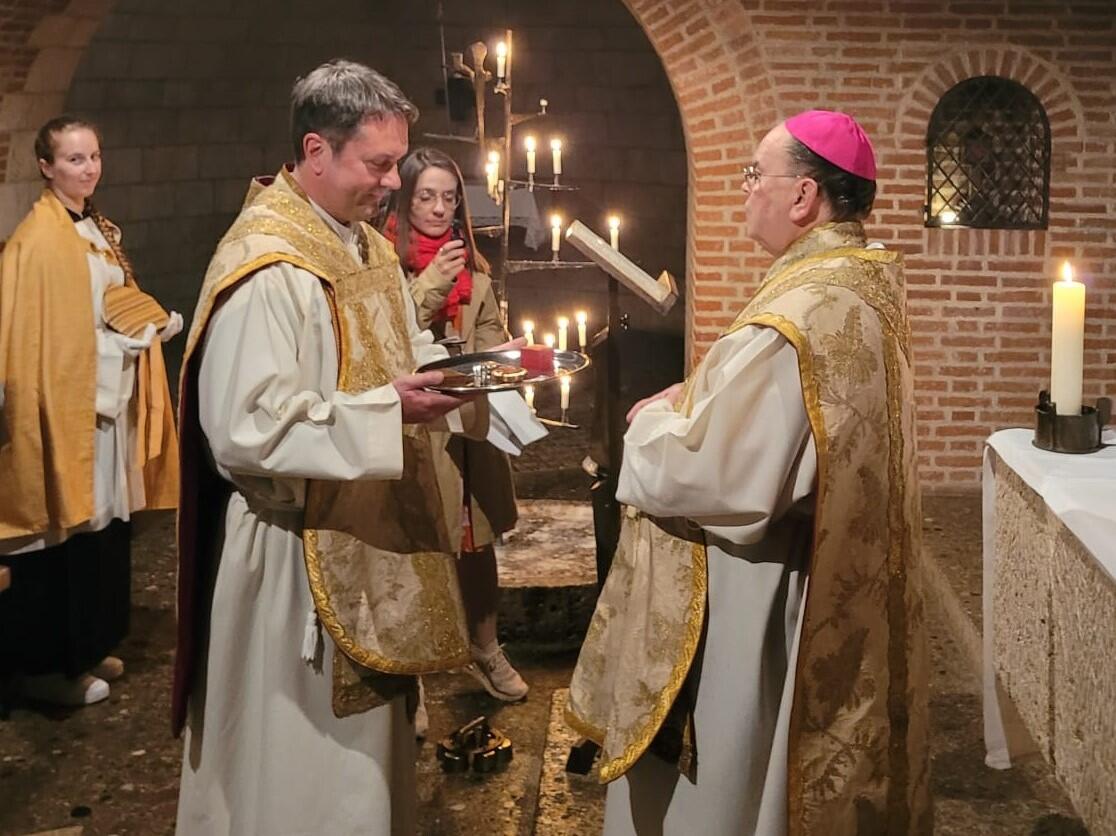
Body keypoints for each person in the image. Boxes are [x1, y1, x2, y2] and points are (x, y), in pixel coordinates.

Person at [566, 110, 931, 835]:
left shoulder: (800, 309)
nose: (745, 190)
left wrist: (648, 429)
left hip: (759, 589)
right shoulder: (855, 285)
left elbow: (719, 475)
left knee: (732, 780)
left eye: (753, 175)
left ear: (803, 197)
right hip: (814, 567)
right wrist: (700, 397)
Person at [173, 60, 505, 835]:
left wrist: (453, 370)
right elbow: (245, 426)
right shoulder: (268, 266)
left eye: (396, 162)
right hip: (294, 557)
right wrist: (386, 410)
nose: (392, 182)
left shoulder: (357, 243)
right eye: (378, 164)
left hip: (362, 531)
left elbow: (373, 354)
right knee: (301, 776)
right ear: (315, 151)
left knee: (366, 770)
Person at [0, 116, 180, 707]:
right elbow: (40, 341)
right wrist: (119, 345)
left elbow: (106, 303)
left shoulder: (92, 228)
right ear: (46, 167)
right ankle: (47, 667)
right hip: (66, 410)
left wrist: (144, 326)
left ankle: (90, 641)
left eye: (95, 156)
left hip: (105, 404)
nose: (89, 168)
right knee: (62, 532)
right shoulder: (38, 242)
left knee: (102, 525)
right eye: (74, 159)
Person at [382, 147, 528, 716]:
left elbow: (491, 336)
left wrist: (509, 355)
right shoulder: (384, 263)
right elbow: (387, 336)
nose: (439, 208)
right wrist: (431, 288)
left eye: (449, 198)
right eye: (426, 196)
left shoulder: (474, 267)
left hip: (468, 424)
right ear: (405, 198)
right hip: (415, 427)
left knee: (477, 540)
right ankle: (411, 674)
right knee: (420, 544)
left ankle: (485, 648)